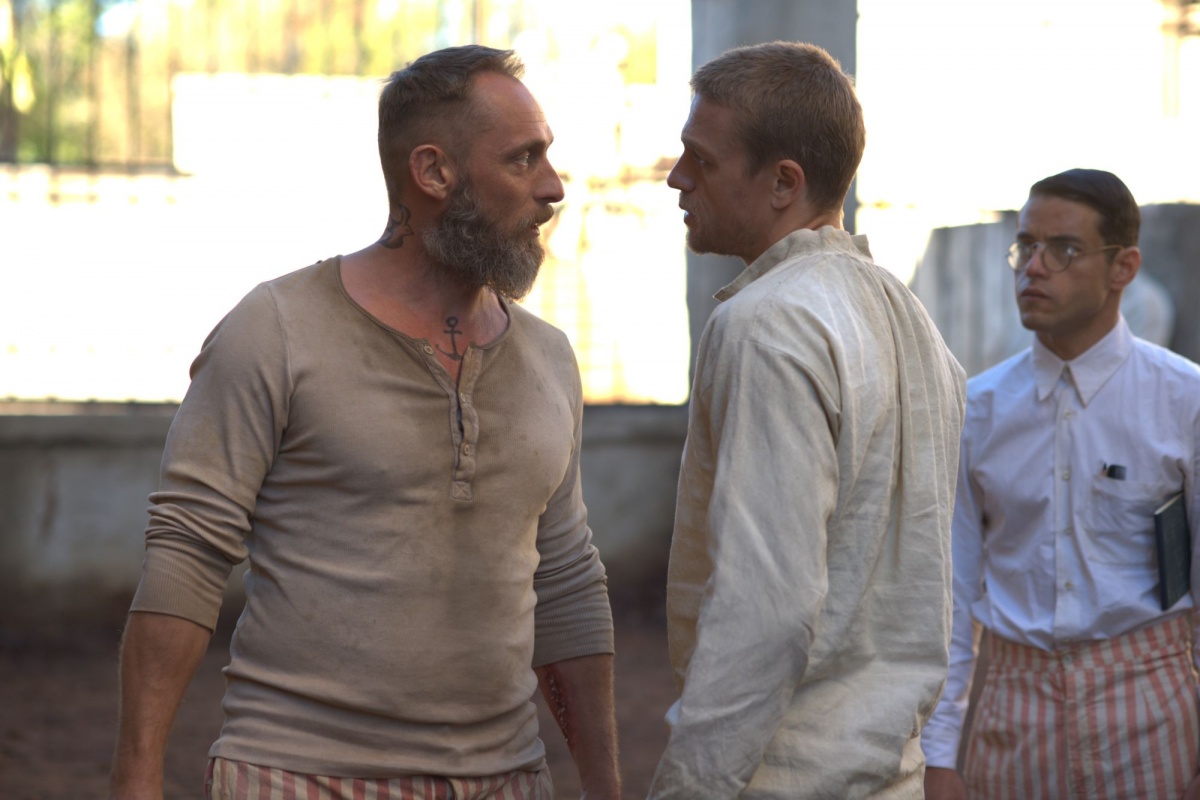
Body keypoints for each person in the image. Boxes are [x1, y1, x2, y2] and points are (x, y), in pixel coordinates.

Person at [107, 45, 619, 800]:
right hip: (295, 777)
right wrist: (136, 775)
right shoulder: (277, 329)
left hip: (507, 778)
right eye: (523, 159)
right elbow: (189, 550)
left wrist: (605, 785)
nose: (553, 188)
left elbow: (566, 579)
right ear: (433, 172)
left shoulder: (549, 358)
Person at [646, 41, 966, 799]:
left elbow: (766, 608)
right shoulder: (912, 322)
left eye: (701, 159)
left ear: (784, 182)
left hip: (782, 777)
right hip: (889, 774)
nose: (676, 177)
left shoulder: (767, 323)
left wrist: (690, 788)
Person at [921, 168, 1200, 800]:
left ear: (1124, 267)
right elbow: (952, 596)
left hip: (1151, 708)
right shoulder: (977, 410)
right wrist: (939, 754)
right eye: (1026, 245)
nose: (1033, 268)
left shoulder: (1184, 400)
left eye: (1064, 249)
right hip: (1012, 715)